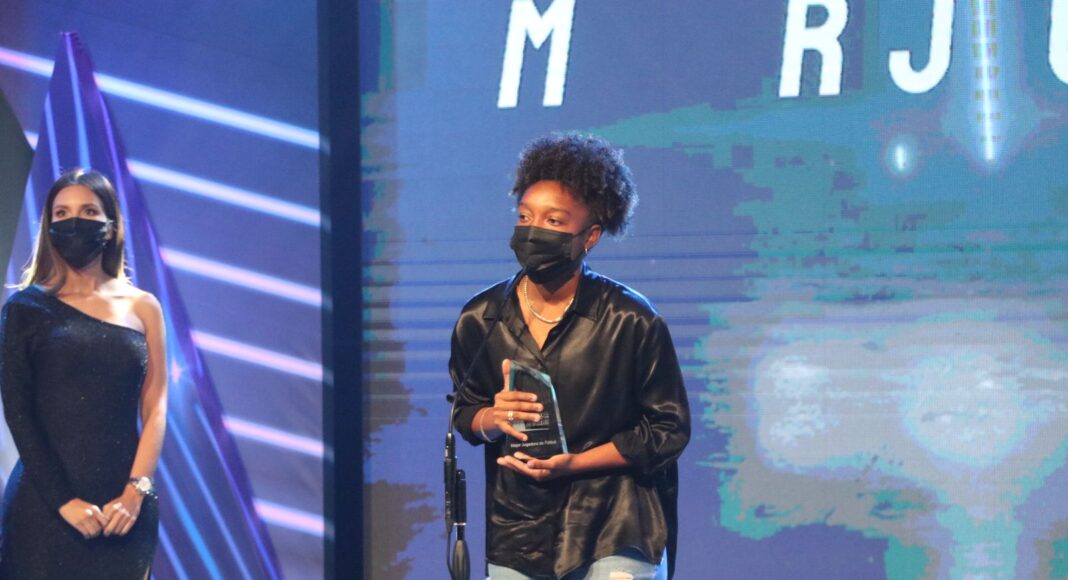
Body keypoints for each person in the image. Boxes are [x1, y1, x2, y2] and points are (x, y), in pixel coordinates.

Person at [450, 134, 690, 579]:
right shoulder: (480, 319)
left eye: (553, 221)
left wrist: (576, 463)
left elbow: (667, 430)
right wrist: (493, 418)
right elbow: (466, 413)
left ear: (590, 236)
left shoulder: (631, 319)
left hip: (617, 522)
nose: (533, 231)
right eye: (525, 217)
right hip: (519, 530)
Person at [0, 169, 167, 579]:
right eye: (62, 213)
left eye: (89, 211)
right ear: (49, 226)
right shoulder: (24, 309)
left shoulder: (143, 307)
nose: (75, 222)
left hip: (124, 512)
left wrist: (137, 491)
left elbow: (156, 407)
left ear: (110, 225)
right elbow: (19, 414)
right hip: (44, 509)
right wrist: (63, 501)